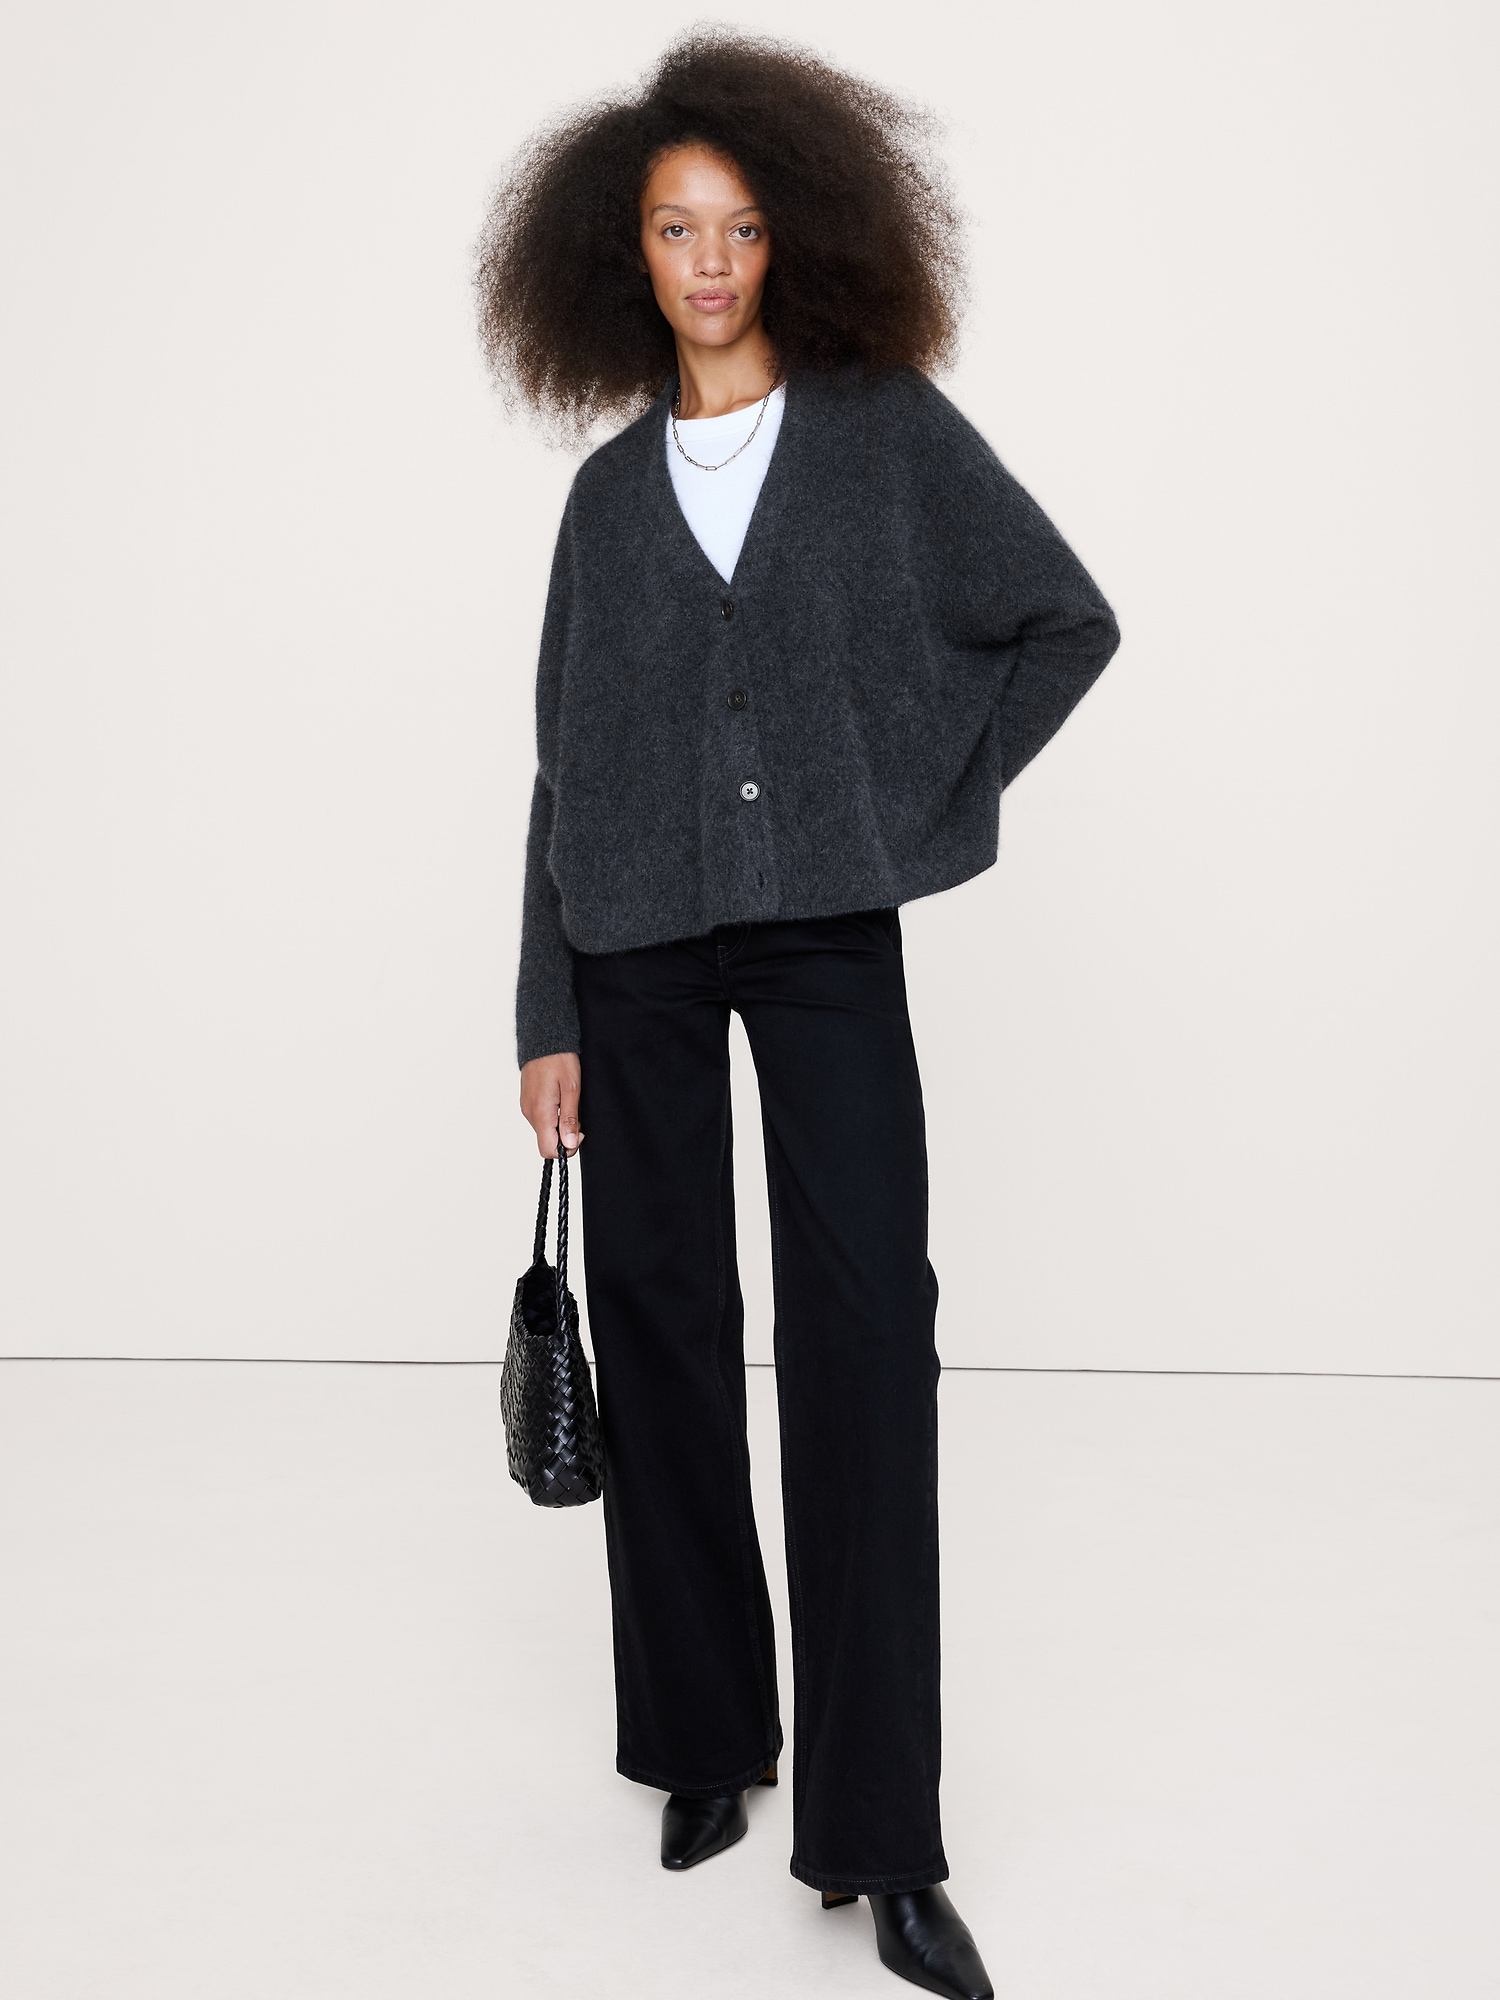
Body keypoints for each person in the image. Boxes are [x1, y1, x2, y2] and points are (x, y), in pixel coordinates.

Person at [476, 32, 1119, 1999]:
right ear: (625, 253)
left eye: (740, 227)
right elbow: (563, 769)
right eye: (676, 230)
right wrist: (544, 1005)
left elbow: (1062, 616)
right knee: (667, 1323)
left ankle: (882, 1838)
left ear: (796, 237)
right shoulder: (606, 500)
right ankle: (701, 1735)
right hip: (636, 948)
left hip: (827, 937)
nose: (709, 261)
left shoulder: (879, 430)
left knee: (863, 1341)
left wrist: (909, 808)